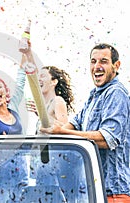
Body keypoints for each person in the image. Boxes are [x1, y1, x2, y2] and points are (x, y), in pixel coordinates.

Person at [41, 43, 130, 202]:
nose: (97, 66)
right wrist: (51, 132)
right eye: (93, 61)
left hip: (113, 191)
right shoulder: (94, 96)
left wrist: (62, 132)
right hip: (93, 189)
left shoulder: (116, 93)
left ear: (116, 65)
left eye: (103, 61)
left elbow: (107, 139)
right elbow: (72, 125)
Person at [27, 66, 75, 131]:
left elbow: (64, 129)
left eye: (42, 76)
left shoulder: (57, 100)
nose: (38, 79)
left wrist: (42, 114)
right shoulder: (45, 106)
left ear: (54, 82)